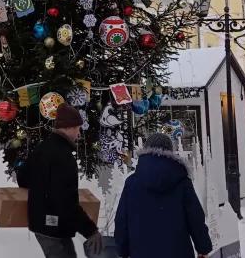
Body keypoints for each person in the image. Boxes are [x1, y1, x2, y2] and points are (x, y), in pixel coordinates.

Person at [17, 103, 102, 258]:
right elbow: (66, 202)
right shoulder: (64, 157)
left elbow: (22, 177)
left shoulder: (42, 148)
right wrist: (90, 230)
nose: (79, 133)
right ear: (68, 127)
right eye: (77, 128)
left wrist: (42, 190)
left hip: (41, 225)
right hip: (53, 227)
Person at [115, 133, 213, 258]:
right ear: (170, 152)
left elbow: (121, 221)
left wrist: (122, 251)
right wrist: (203, 248)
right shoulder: (182, 182)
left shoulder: (132, 183)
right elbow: (195, 219)